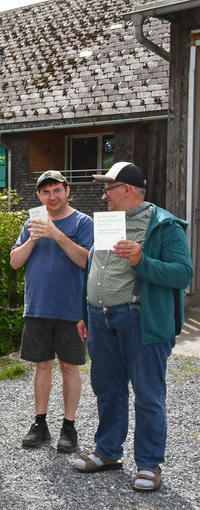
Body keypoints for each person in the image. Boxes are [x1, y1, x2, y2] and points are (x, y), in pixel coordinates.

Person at [73, 162, 192, 493]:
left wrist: (142, 261)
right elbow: (96, 269)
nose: (103, 195)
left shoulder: (165, 227)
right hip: (100, 317)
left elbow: (183, 274)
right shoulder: (109, 221)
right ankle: (108, 452)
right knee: (107, 389)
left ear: (126, 189)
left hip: (139, 318)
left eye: (108, 189)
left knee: (148, 394)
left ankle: (149, 464)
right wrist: (86, 311)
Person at [9, 171, 93, 453]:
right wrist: (33, 238)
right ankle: (40, 423)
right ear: (39, 196)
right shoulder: (32, 222)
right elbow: (14, 262)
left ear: (67, 191)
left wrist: (57, 235)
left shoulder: (82, 222)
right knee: (42, 365)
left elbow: (87, 261)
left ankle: (69, 427)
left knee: (69, 366)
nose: (52, 197)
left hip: (71, 309)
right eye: (46, 192)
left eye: (56, 190)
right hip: (38, 306)